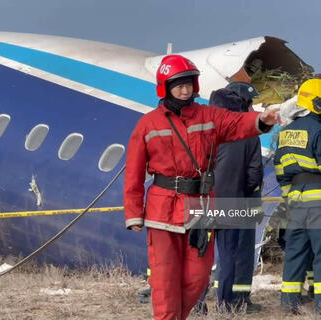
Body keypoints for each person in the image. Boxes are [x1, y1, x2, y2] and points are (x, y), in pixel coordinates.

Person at [124, 54, 279, 320]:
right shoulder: (148, 124)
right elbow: (134, 172)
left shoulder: (208, 116)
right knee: (165, 279)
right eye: (179, 85)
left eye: (189, 84)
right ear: (165, 87)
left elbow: (236, 123)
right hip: (163, 209)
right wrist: (134, 212)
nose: (185, 91)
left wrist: (261, 119)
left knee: (197, 277)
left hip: (200, 207)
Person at [201, 83, 264, 313]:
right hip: (233, 201)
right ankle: (225, 305)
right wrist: (242, 190)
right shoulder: (248, 132)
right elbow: (254, 173)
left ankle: (197, 305)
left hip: (202, 200)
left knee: (200, 255)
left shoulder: (203, 127)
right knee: (228, 255)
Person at [274, 78, 321, 314]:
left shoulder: (286, 132)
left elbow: (280, 170)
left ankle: (289, 304)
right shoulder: (319, 129)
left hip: (295, 202)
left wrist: (290, 197)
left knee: (295, 253)